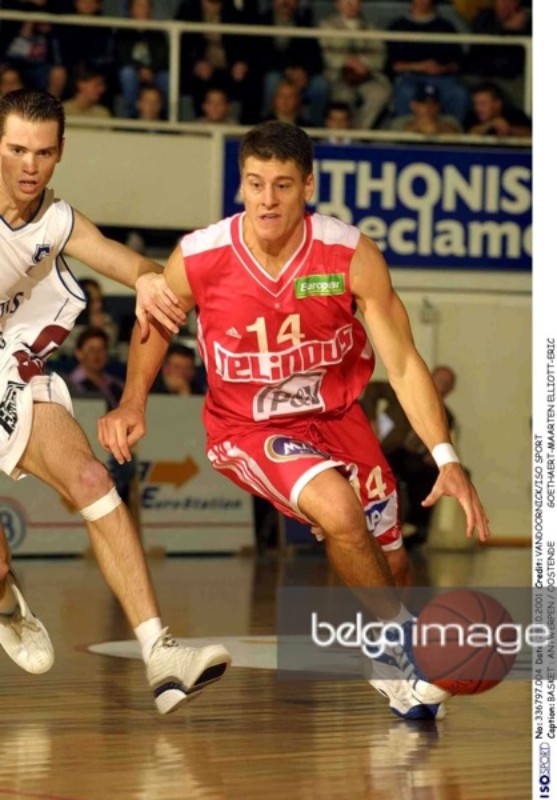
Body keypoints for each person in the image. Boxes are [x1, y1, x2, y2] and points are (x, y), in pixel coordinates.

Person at [99, 121, 489, 721]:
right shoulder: (200, 256)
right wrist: (133, 401)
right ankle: (405, 644)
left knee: (391, 559)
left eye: (282, 185)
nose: (267, 200)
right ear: (241, 185)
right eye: (255, 184)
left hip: (337, 417)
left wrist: (446, 457)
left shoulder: (349, 254)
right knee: (339, 510)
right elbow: (154, 320)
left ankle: (389, 663)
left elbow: (405, 362)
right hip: (247, 428)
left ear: (308, 185)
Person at [0, 89, 230, 711]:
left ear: (60, 152)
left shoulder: (56, 220)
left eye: (42, 152)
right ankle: (4, 598)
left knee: (92, 479)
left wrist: (151, 280)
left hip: (9, 364)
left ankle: (162, 655)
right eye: (16, 149)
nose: (29, 165)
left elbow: (130, 264)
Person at [360, 365, 459, 545]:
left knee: (429, 474)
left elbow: (442, 441)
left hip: (411, 455)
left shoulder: (447, 416)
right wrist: (372, 420)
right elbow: (373, 389)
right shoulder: (405, 392)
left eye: (446, 384)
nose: (441, 387)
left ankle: (416, 528)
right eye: (439, 381)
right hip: (384, 448)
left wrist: (433, 455)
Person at [387, 0, 470, 125]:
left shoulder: (446, 27)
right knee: (405, 92)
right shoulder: (397, 26)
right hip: (409, 78)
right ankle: (406, 130)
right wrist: (419, 67)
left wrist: (441, 68)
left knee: (459, 94)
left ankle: (451, 132)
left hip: (442, 78)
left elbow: (458, 64)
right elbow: (392, 65)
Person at [319, 0, 391, 130]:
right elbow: (326, 55)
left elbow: (380, 55)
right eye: (345, 1)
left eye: (354, 1)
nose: (350, 5)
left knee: (380, 93)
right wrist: (346, 61)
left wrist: (363, 63)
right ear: (337, 4)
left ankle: (359, 133)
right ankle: (342, 132)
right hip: (338, 76)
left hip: (367, 75)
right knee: (343, 96)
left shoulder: (370, 26)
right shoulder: (326, 25)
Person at [257, 0, 329, 127]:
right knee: (272, 80)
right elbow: (259, 55)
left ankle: (315, 130)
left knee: (320, 85)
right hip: (273, 70)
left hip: (301, 73)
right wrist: (287, 70)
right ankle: (266, 126)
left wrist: (305, 73)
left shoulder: (305, 22)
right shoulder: (261, 21)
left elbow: (314, 55)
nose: (285, 2)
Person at [116, 0, 169, 119]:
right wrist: (140, 69)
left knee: (165, 78)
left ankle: (165, 116)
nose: (144, 10)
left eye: (147, 6)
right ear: (131, 10)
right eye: (139, 6)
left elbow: (163, 56)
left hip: (154, 72)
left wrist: (151, 69)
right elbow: (121, 56)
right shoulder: (123, 31)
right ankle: (132, 116)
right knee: (127, 74)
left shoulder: (157, 32)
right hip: (133, 71)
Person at [389, 83, 462, 134]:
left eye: (433, 104)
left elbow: (457, 136)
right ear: (413, 105)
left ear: (438, 107)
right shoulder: (400, 122)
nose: (428, 108)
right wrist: (417, 126)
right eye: (423, 104)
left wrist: (438, 127)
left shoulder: (450, 120)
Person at [466, 81, 531, 137]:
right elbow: (468, 133)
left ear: (497, 104)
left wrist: (509, 129)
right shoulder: (473, 116)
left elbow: (529, 132)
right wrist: (491, 125)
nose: (478, 108)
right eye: (475, 104)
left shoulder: (514, 115)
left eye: (482, 104)